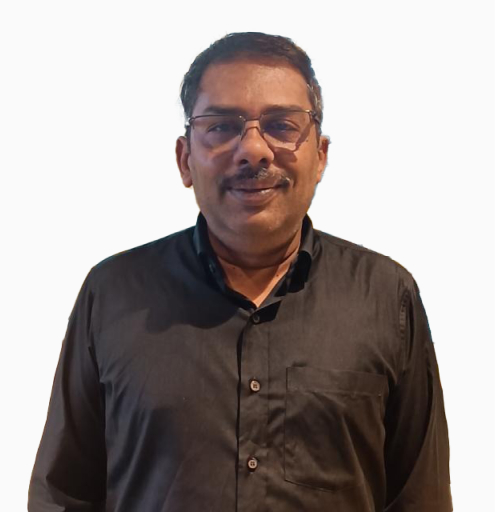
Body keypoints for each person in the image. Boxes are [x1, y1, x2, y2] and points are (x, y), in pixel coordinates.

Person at [28, 32, 452, 512]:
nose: (253, 150)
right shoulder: (113, 294)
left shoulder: (386, 298)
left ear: (320, 156)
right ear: (185, 159)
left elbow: (422, 499)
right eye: (223, 126)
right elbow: (62, 497)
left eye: (281, 125)